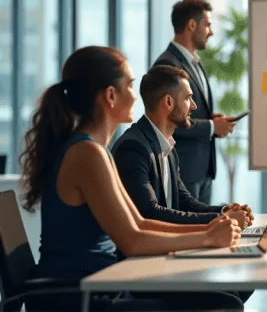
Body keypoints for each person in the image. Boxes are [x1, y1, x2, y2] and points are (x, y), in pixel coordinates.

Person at [19, 46, 244, 312]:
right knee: (222, 304)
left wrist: (211, 229)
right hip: (78, 296)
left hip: (100, 285)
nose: (135, 95)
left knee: (223, 300)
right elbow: (133, 241)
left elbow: (140, 223)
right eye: (129, 85)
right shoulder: (87, 153)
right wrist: (208, 237)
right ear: (110, 96)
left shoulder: (96, 150)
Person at [112, 65, 254, 227]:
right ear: (168, 102)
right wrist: (225, 220)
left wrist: (225, 211)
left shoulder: (168, 147)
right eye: (188, 98)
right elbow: (151, 213)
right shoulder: (133, 148)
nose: (194, 106)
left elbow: (184, 202)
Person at [153, 0, 235, 204]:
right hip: (184, 170)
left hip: (202, 170)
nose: (211, 31)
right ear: (192, 25)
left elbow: (189, 111)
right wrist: (211, 127)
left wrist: (212, 120)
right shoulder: (168, 64)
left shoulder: (195, 62)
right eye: (207, 25)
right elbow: (168, 119)